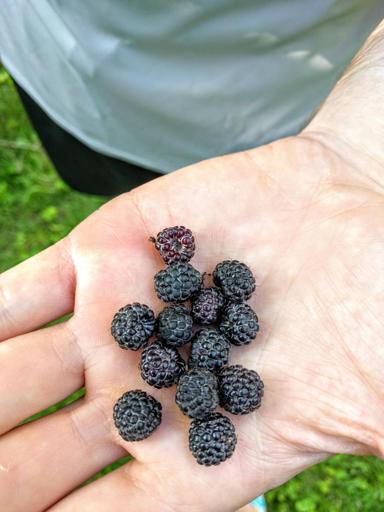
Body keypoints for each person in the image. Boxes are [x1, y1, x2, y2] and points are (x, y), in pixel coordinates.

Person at [0, 3, 383, 511]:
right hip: (80, 76)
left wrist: (362, 152)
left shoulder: (200, 336)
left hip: (291, 93)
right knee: (106, 171)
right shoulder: (193, 329)